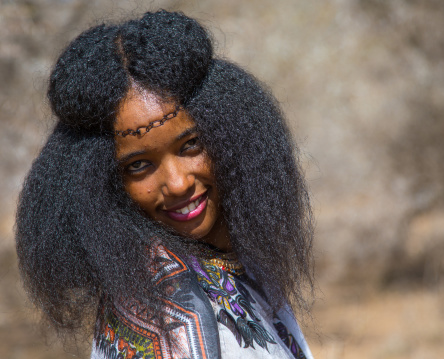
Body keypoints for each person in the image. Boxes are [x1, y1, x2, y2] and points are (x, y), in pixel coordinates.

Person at [16, 10, 314, 359]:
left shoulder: (243, 262)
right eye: (139, 165)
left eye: (191, 145)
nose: (176, 184)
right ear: (103, 185)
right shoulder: (167, 314)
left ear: (231, 133)